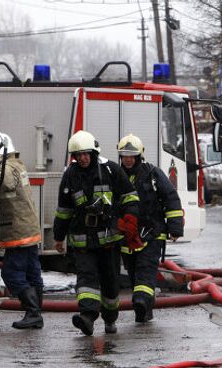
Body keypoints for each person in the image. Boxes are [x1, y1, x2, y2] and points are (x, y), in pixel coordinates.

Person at [53, 130, 140, 336]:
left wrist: (130, 219)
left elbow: (130, 197)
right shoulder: (70, 176)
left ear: (93, 152)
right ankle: (87, 317)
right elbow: (64, 210)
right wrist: (58, 236)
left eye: (86, 154)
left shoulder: (111, 170)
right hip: (83, 242)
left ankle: (110, 319)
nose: (82, 158)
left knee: (110, 284)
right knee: (86, 279)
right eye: (78, 155)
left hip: (109, 240)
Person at [0, 132, 44, 329]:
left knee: (11, 273)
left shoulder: (8, 166)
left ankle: (33, 313)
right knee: (32, 273)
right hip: (27, 228)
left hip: (18, 231)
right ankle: (36, 314)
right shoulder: (17, 164)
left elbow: (5, 182)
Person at [117, 134, 184, 323]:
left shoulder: (153, 174)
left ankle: (141, 301)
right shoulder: (115, 176)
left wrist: (175, 228)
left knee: (145, 270)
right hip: (128, 236)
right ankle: (144, 308)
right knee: (133, 273)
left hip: (152, 233)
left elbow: (170, 198)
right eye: (125, 156)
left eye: (132, 156)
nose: (128, 159)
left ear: (139, 156)